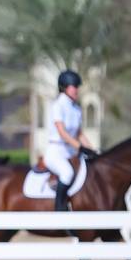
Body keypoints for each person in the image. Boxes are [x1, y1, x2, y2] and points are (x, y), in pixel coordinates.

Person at [46, 69, 96, 212]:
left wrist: (92, 150)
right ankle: (59, 208)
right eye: (75, 86)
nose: (77, 90)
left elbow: (79, 133)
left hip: (71, 151)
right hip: (56, 151)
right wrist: (80, 147)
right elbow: (63, 133)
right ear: (65, 87)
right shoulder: (58, 106)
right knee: (67, 173)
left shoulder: (76, 109)